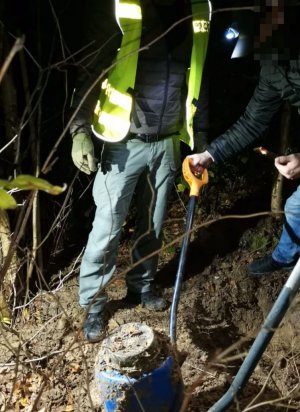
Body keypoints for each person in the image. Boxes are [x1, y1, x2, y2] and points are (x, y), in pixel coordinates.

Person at [70, 0, 211, 342]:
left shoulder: (198, 12)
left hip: (167, 143)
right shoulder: (125, 9)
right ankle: (93, 304)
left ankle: (142, 286)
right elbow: (92, 70)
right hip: (123, 142)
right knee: (106, 227)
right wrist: (79, 130)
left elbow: (200, 80)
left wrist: (203, 142)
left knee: (154, 222)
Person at [190, 0, 300, 277]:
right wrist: (209, 154)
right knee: (296, 206)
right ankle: (285, 258)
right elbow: (252, 122)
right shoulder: (274, 68)